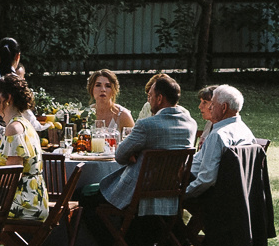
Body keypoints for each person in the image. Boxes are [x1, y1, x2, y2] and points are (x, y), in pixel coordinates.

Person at [83, 73, 197, 215]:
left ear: (159, 98)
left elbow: (119, 155)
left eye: (150, 96)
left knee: (83, 198)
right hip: (171, 193)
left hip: (138, 193)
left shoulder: (146, 125)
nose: (148, 101)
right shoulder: (191, 125)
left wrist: (135, 152)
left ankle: (110, 238)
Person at [0, 77, 51, 221]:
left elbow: (13, 176)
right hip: (35, 200)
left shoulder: (13, 129)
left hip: (23, 204)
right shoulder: (25, 124)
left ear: (8, 98)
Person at [187, 83, 256, 196]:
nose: (209, 107)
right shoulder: (246, 132)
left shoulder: (219, 135)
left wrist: (183, 195)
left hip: (212, 196)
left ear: (224, 107)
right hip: (238, 194)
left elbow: (206, 180)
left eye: (212, 104)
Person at [87, 68, 136, 133]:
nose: (103, 89)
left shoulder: (123, 116)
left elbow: (135, 141)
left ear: (113, 90)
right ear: (91, 89)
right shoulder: (85, 114)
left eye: (108, 86)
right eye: (98, 85)